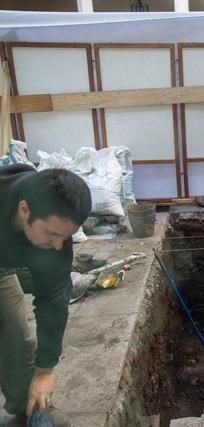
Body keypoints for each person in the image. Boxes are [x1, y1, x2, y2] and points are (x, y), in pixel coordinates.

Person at [0, 164, 91, 426]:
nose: (57, 245)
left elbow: (53, 299)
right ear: (24, 209)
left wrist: (45, 370)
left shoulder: (56, 234)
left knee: (16, 340)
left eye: (65, 237)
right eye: (52, 234)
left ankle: (25, 411)